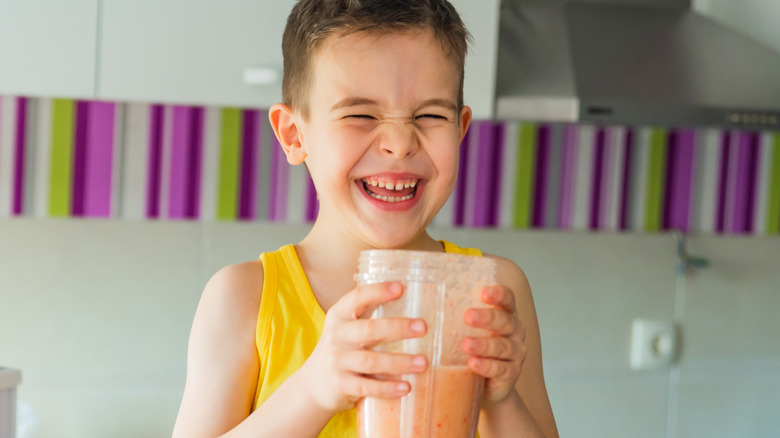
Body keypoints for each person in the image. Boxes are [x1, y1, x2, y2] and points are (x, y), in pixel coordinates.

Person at [172, 1, 558, 437]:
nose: (399, 142)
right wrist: (312, 391)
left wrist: (501, 399)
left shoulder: (491, 291)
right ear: (294, 135)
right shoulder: (243, 298)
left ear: (460, 129)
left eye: (430, 115)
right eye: (360, 114)